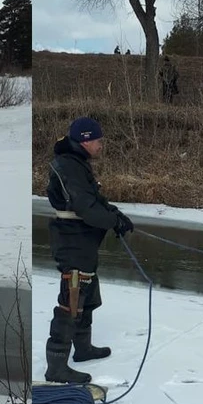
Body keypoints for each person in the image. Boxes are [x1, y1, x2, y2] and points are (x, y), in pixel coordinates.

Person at [43, 117, 133, 384]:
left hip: (83, 239)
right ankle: (56, 365)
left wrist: (116, 215)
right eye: (98, 140)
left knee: (87, 291)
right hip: (71, 239)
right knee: (72, 298)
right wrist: (110, 221)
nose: (101, 145)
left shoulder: (77, 163)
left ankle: (83, 349)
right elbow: (84, 207)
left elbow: (95, 200)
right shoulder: (68, 166)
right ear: (84, 139)